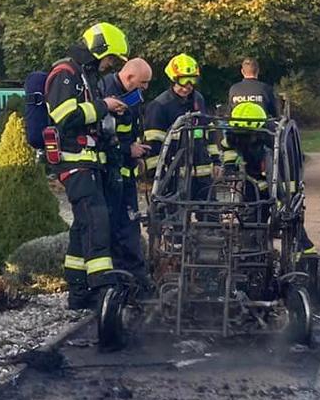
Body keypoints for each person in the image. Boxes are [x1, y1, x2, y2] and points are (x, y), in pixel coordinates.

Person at [45, 22, 130, 309]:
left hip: (89, 163)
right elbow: (64, 116)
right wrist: (104, 105)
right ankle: (102, 285)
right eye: (111, 58)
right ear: (99, 49)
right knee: (96, 220)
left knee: (83, 225)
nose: (110, 65)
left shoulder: (86, 76)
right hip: (73, 162)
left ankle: (78, 291)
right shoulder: (65, 74)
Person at [223, 99, 316, 263]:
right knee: (251, 222)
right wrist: (230, 166)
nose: (243, 138)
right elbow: (228, 146)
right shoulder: (234, 132)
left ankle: (306, 254)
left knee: (288, 219)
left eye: (248, 135)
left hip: (278, 184)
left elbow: (286, 173)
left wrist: (285, 198)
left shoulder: (276, 140)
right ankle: (253, 256)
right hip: (253, 181)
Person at [100, 56, 153, 294]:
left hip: (125, 173)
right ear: (129, 76)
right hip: (110, 175)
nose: (145, 88)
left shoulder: (127, 94)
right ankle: (121, 282)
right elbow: (101, 138)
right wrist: (127, 149)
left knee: (130, 225)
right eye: (142, 82)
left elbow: (126, 130)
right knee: (117, 228)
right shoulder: (106, 94)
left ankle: (136, 281)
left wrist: (134, 148)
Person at [140, 53, 216, 200]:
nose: (187, 86)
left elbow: (209, 131)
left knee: (210, 218)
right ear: (173, 79)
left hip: (203, 176)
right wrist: (159, 178)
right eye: (183, 80)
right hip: (173, 177)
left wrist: (216, 161)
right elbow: (153, 144)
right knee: (175, 219)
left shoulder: (198, 99)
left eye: (192, 80)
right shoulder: (159, 106)